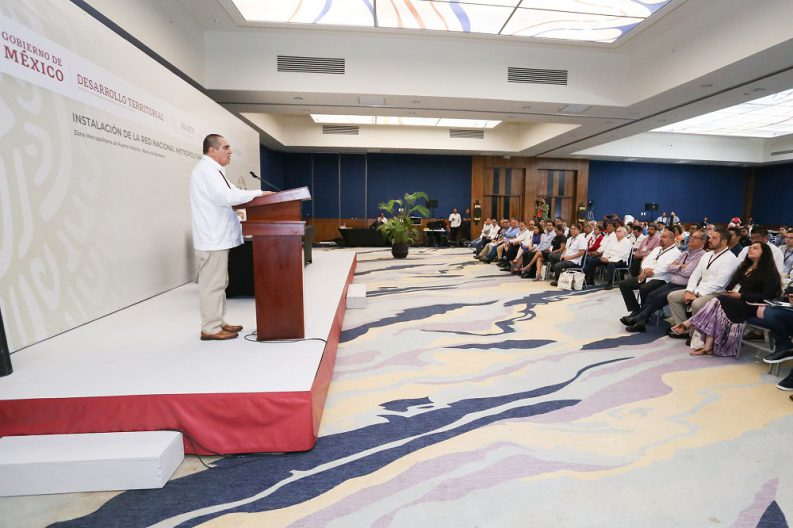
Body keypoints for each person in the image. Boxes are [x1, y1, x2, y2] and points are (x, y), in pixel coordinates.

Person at [190, 134, 267, 341]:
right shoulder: (206, 171)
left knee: (220, 282)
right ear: (212, 150)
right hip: (212, 238)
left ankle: (218, 321)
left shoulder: (215, 171)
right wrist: (259, 194)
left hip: (216, 238)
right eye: (226, 147)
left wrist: (258, 194)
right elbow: (225, 197)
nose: (230, 151)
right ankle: (210, 328)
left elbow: (234, 192)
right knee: (212, 284)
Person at [671, 243, 782, 356]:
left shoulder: (770, 272)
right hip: (734, 301)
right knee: (717, 304)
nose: (750, 249)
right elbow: (731, 285)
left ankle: (690, 323)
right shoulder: (744, 267)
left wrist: (741, 296)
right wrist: (728, 292)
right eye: (750, 247)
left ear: (764, 253)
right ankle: (707, 346)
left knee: (718, 301)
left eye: (755, 248)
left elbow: (768, 295)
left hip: (752, 305)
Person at [621, 229, 708, 332]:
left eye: (695, 238)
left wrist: (676, 267)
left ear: (703, 241)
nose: (691, 239)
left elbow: (687, 272)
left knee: (657, 295)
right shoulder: (685, 253)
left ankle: (639, 318)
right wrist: (680, 266)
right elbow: (670, 267)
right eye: (691, 237)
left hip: (680, 284)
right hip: (671, 282)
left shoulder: (701, 255)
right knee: (651, 295)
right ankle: (640, 319)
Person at [666, 228, 738, 338]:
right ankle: (684, 328)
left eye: (714, 238)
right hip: (699, 289)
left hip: (717, 293)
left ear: (724, 242)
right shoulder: (707, 255)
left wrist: (696, 294)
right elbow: (695, 275)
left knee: (697, 303)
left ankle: (694, 334)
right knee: (672, 296)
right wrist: (689, 291)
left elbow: (719, 283)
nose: (710, 240)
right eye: (711, 237)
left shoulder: (731, 259)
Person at [618, 229, 680, 326]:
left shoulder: (676, 252)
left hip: (662, 278)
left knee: (644, 288)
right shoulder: (657, 249)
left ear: (672, 239)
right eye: (661, 236)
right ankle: (636, 310)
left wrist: (652, 271)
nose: (661, 239)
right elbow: (646, 260)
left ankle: (643, 316)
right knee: (624, 284)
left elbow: (667, 267)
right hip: (647, 275)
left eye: (664, 237)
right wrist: (645, 270)